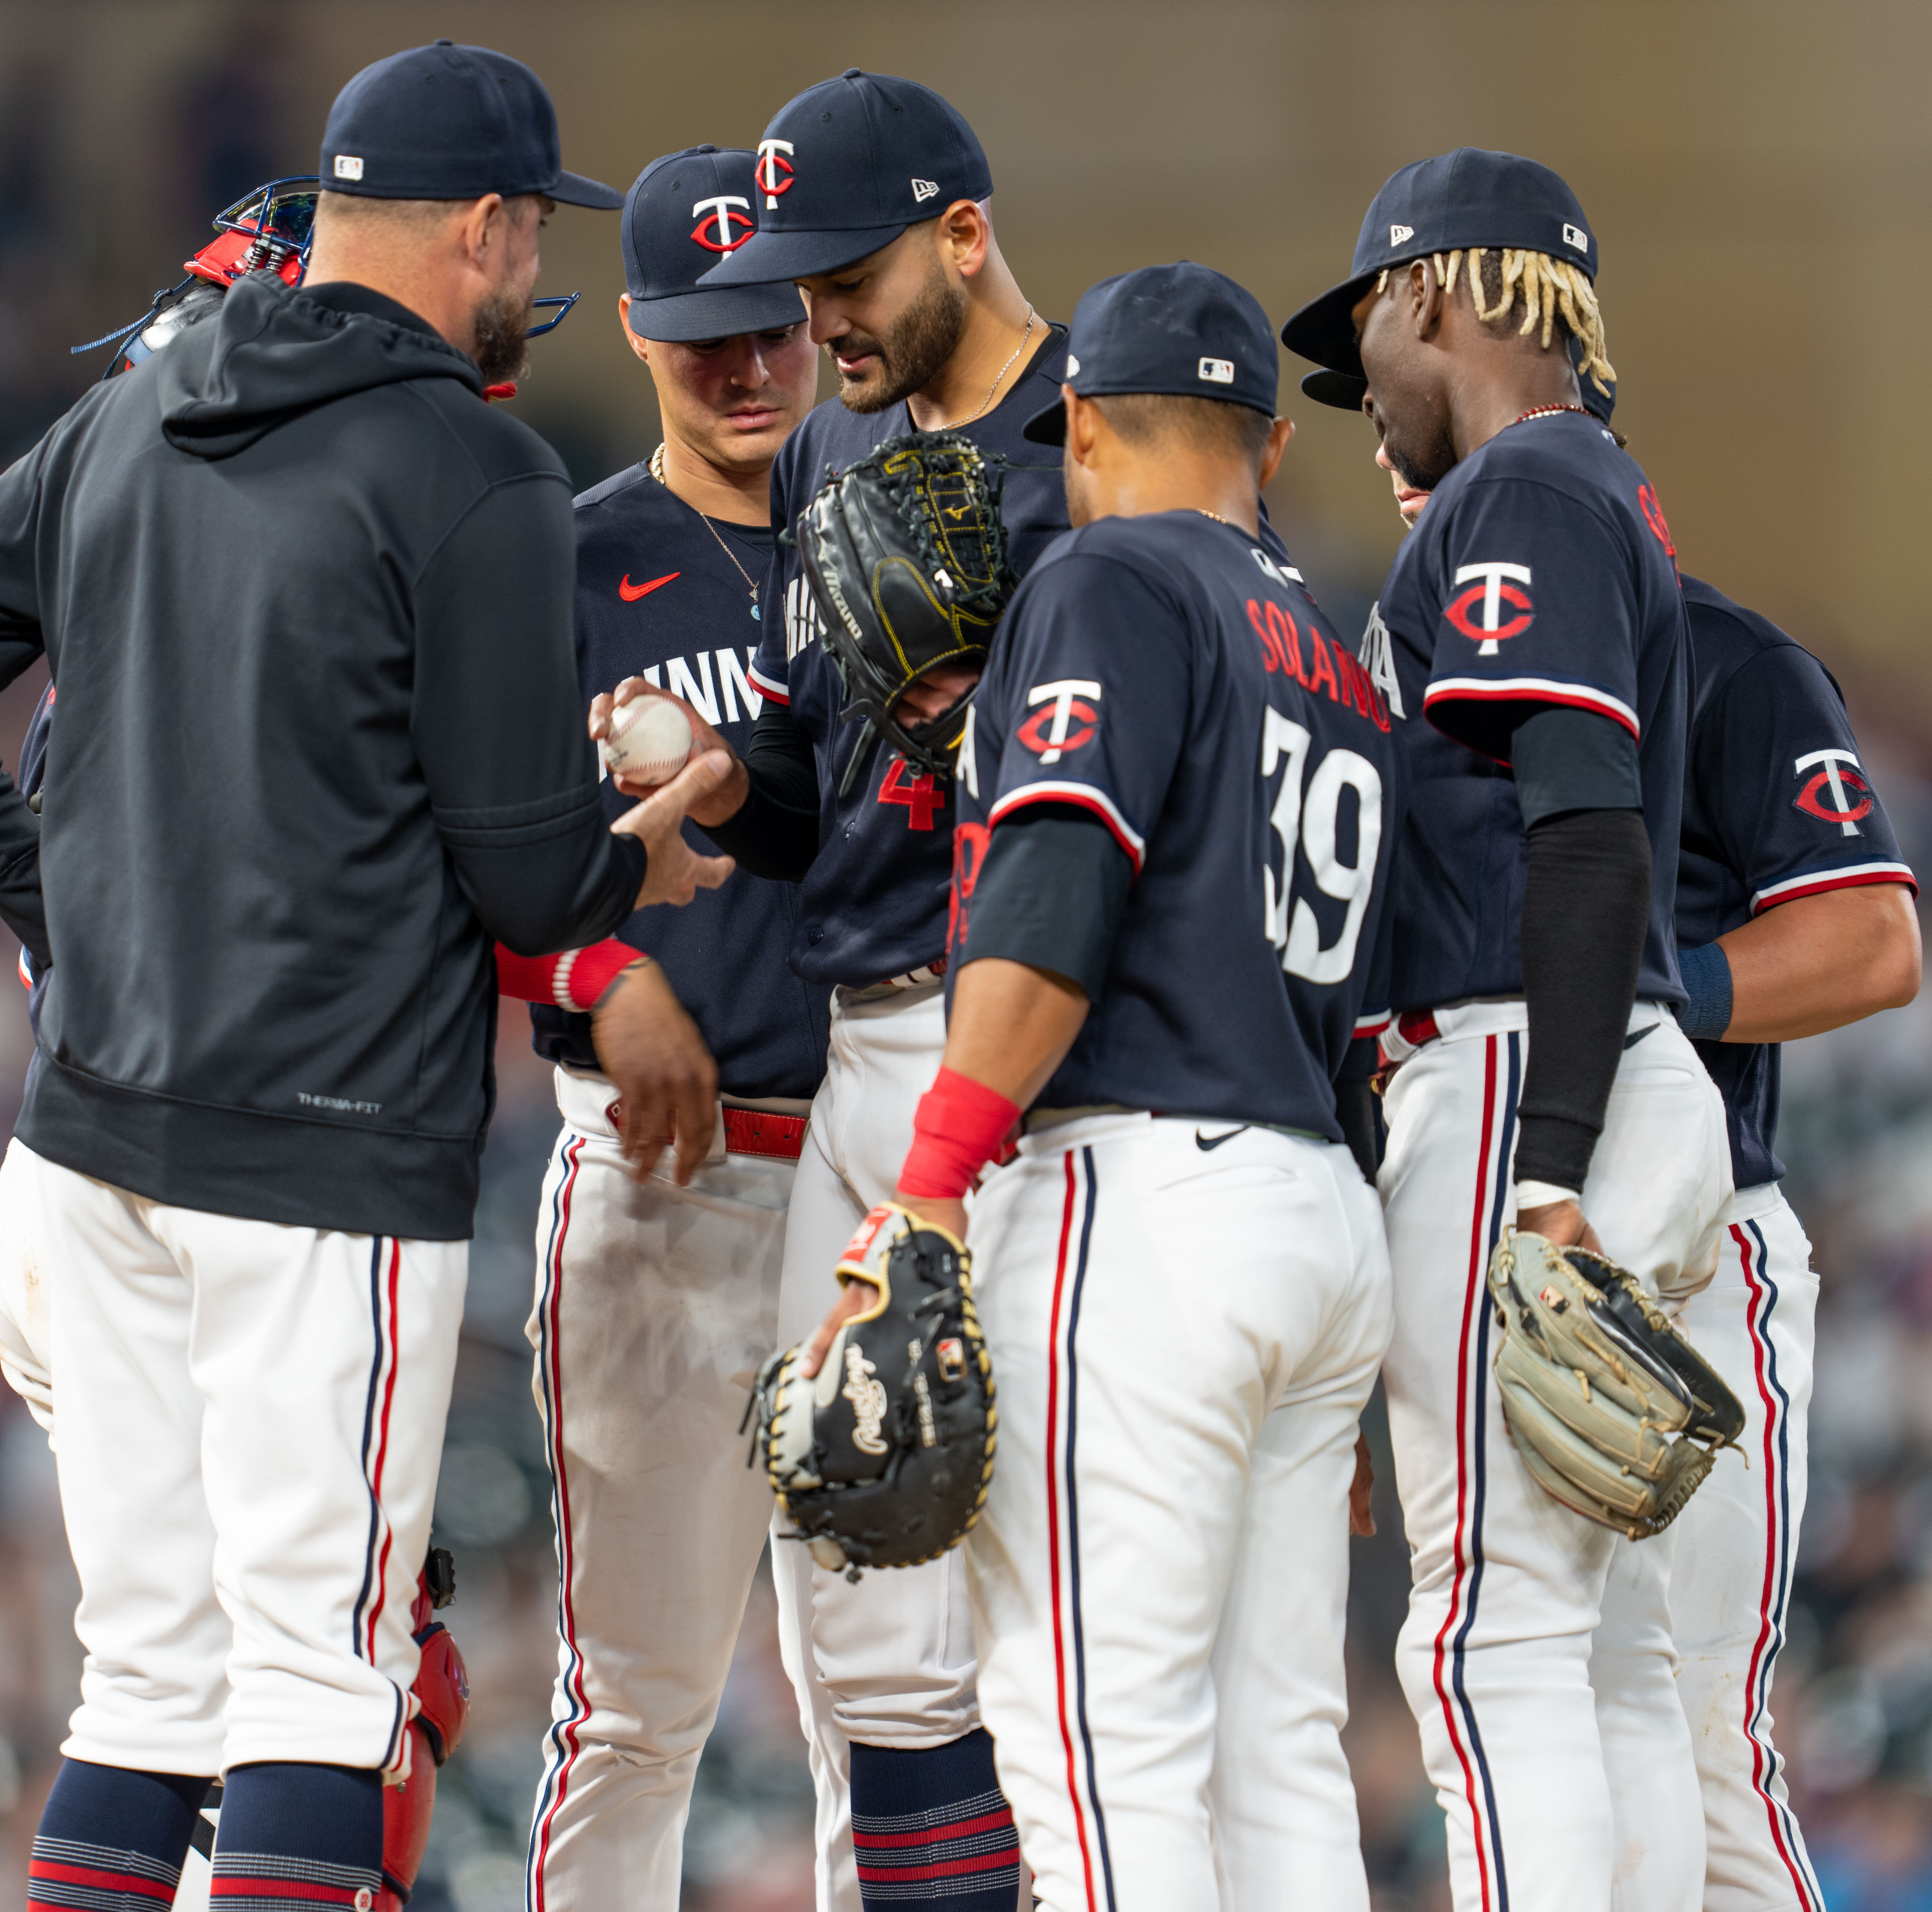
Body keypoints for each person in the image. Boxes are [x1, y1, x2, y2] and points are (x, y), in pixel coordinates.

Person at [0, 43, 734, 1912]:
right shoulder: (475, 462)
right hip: (318, 1170)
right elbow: (529, 867)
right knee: (320, 1684)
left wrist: (60, 904)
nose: (517, 272)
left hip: (90, 1147)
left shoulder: (135, 417)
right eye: (518, 236)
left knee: (148, 1683)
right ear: (481, 224)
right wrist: (658, 841)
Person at [837, 261, 1399, 1909]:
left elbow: (1054, 899)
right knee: (1279, 1745)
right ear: (1272, 448)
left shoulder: (1104, 584)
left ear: (1073, 419)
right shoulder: (1338, 662)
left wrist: (929, 1179)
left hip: (1145, 1203)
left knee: (1098, 1742)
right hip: (1311, 1202)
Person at [603, 70, 1071, 1910]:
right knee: (863, 1611)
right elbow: (819, 773)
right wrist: (728, 777)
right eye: (798, 282)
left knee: (1059, 1637)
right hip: (864, 1055)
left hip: (1038, 1069)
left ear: (962, 233)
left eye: (845, 274)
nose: (813, 323)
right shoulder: (828, 452)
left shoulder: (1099, 443)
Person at [1369, 403, 1923, 1909]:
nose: (1409, 480)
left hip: (1701, 1236)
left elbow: (1873, 939)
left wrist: (1634, 982)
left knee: (1691, 1739)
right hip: (1502, 1211)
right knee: (1584, 1697)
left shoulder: (1724, 660)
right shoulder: (1410, 699)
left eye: (1442, 454)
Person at [1282, 147, 1730, 1912]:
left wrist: (1543, 1171)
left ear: (1433, 297)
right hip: (1605, 1076)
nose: (1359, 395)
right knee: (1597, 1645)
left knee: (1495, 1643)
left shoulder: (1527, 486)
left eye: (1366, 339)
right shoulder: (1586, 485)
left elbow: (1583, 822)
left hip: (1523, 1081)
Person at [515, 144, 830, 1912]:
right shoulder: (567, 563)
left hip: (874, 1179)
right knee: (637, 1708)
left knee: (897, 1706)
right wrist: (590, 979)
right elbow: (478, 872)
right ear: (636, 328)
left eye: (773, 324)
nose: (746, 367)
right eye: (705, 332)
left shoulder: (903, 558)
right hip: (661, 1196)